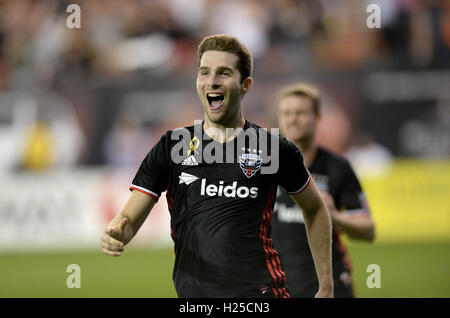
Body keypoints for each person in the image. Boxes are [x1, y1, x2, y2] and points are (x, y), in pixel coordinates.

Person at [100, 35, 333, 298]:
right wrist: (117, 232)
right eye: (204, 73)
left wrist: (325, 286)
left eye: (223, 73)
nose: (212, 81)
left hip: (261, 296)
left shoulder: (273, 149)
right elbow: (128, 219)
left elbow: (315, 209)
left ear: (245, 85)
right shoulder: (173, 146)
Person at [271, 83, 375, 298]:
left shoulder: (338, 167)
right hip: (278, 283)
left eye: (301, 113)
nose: (293, 119)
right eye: (287, 113)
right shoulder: (264, 167)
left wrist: (334, 216)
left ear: (318, 117)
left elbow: (368, 230)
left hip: (330, 282)